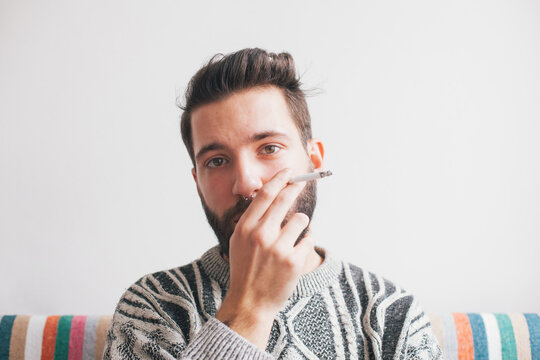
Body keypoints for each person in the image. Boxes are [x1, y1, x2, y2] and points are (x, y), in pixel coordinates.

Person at [103, 48, 444, 359]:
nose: (247, 183)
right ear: (198, 183)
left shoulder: (390, 312)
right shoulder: (152, 306)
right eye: (217, 161)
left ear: (314, 160)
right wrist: (251, 308)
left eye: (269, 148)